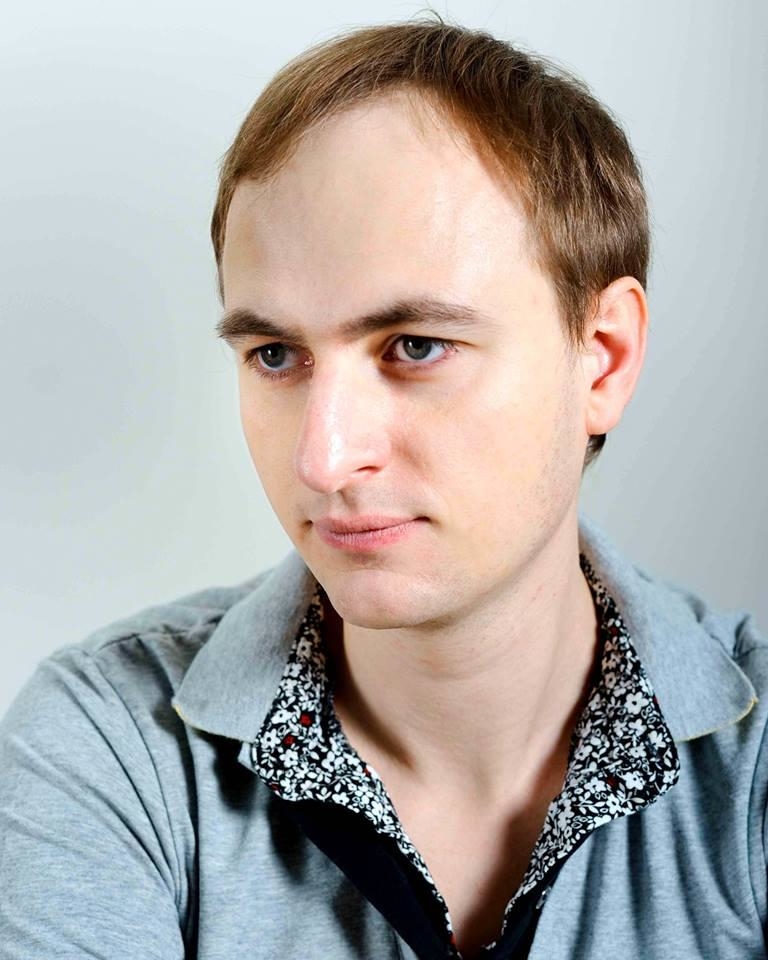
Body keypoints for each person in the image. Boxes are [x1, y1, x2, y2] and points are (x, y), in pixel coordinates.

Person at [1, 17, 766, 960]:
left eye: (416, 346)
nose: (324, 461)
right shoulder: (111, 744)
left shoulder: (755, 760)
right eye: (274, 354)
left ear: (602, 358)